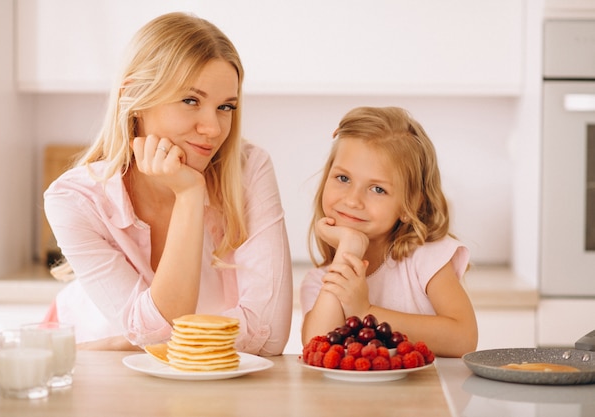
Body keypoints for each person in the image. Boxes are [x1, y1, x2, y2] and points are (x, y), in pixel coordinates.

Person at [43, 12, 293, 356]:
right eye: (191, 100)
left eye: (225, 106)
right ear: (135, 98)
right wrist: (190, 196)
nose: (214, 128)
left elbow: (271, 337)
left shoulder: (249, 169)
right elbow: (151, 335)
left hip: (181, 372)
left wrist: (132, 342)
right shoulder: (74, 199)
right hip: (94, 369)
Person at [300, 106, 477, 358]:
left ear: (410, 205)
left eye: (378, 189)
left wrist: (365, 311)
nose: (353, 200)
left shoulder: (425, 259)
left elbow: (464, 338)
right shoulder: (321, 282)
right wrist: (348, 247)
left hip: (424, 396)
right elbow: (316, 347)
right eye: (343, 178)